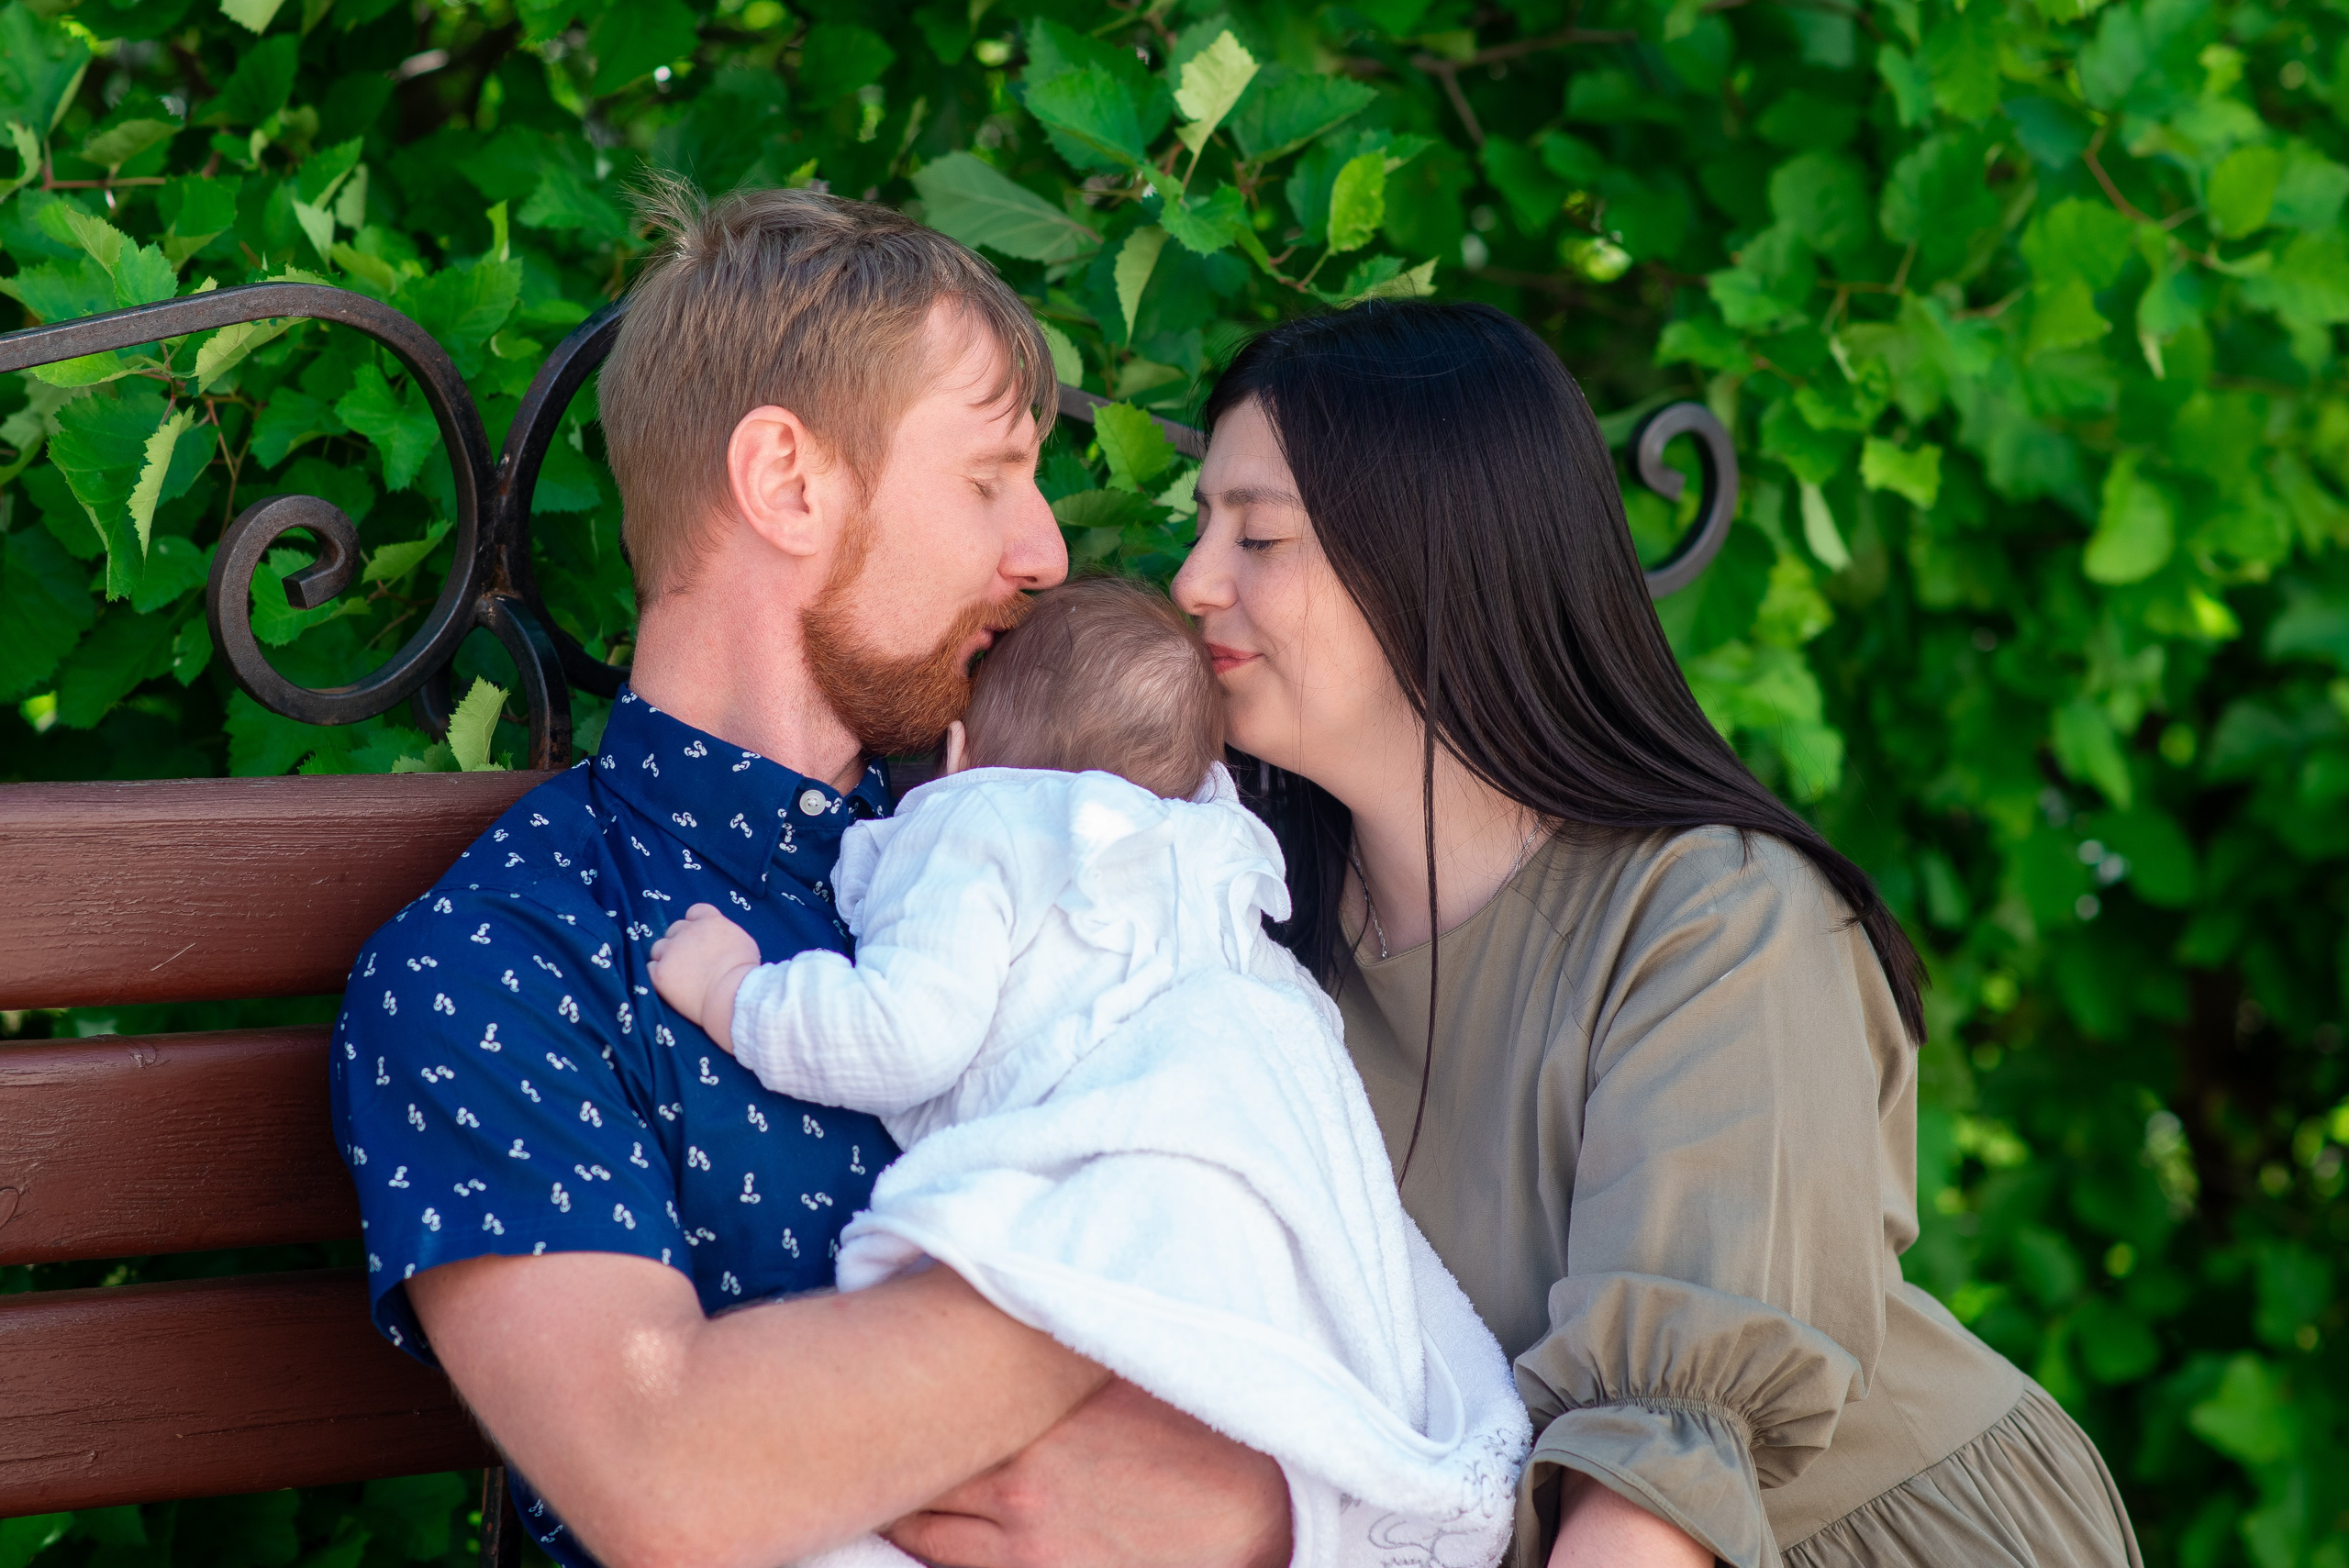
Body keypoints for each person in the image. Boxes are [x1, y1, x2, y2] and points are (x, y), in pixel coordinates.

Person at [328, 183, 1293, 1568]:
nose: (1046, 552)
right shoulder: (507, 962)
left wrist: (1268, 1510)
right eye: (987, 480)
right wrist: (1147, 1254)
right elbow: (669, 1478)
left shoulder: (1064, 846)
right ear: (786, 481)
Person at [1169, 299, 2143, 1568]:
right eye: (1201, 526)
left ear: (1434, 559)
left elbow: (1652, 1497)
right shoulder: (1245, 921)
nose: (1193, 581)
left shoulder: (1720, 918)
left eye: (1257, 536)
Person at [645, 575, 1531, 1568]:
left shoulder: (977, 824)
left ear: (958, 752)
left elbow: (903, 1035)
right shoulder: (1214, 858)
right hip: (1240, 1221)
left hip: (1121, 1184)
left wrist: (733, 991)